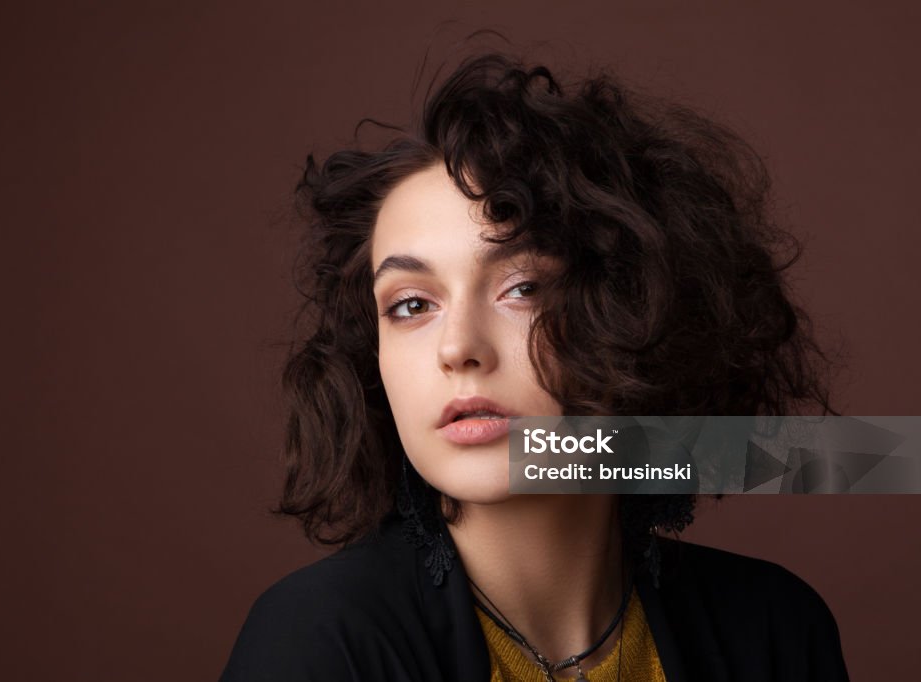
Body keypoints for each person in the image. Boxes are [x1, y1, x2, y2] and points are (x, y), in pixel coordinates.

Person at [220, 52, 849, 681]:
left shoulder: (776, 630)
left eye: (521, 288)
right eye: (412, 305)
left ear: (635, 312)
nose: (457, 348)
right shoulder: (317, 641)